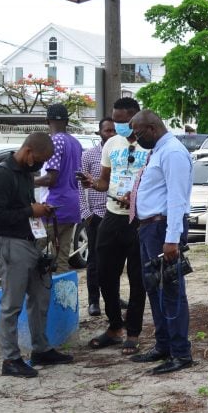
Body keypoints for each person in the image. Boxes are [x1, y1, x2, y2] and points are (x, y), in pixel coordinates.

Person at [0, 133, 74, 378]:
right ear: (28, 152)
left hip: (30, 242)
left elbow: (23, 209)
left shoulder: (25, 173)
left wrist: (40, 211)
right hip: (11, 244)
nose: (40, 165)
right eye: (40, 159)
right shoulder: (2, 175)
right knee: (11, 304)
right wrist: (29, 210)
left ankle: (41, 349)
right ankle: (10, 359)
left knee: (39, 296)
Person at [79, 97, 149, 355]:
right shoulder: (112, 143)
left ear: (136, 118)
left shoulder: (149, 145)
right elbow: (105, 181)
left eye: (122, 121)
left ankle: (133, 332)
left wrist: (137, 197)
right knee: (105, 273)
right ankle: (114, 326)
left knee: (137, 277)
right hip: (112, 215)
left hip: (139, 219)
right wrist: (91, 183)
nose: (117, 125)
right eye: (115, 120)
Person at [129, 110, 194, 374]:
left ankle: (181, 353)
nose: (136, 138)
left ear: (152, 128)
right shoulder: (157, 150)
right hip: (149, 228)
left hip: (163, 229)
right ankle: (163, 345)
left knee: (171, 291)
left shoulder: (173, 152)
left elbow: (177, 199)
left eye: (138, 133)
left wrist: (172, 239)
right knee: (155, 289)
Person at [33, 103, 82, 273]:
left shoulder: (54, 141)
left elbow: (51, 178)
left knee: (31, 251)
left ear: (47, 121)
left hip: (53, 207)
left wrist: (29, 181)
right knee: (62, 260)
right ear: (67, 121)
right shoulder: (75, 143)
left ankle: (34, 295)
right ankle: (62, 297)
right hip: (72, 206)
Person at [79, 117, 116, 316]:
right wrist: (87, 214)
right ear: (100, 133)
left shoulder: (121, 154)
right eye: (107, 131)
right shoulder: (89, 156)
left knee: (114, 260)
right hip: (97, 215)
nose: (110, 134)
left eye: (113, 131)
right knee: (94, 260)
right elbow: (80, 185)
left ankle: (114, 297)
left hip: (117, 213)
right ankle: (94, 301)